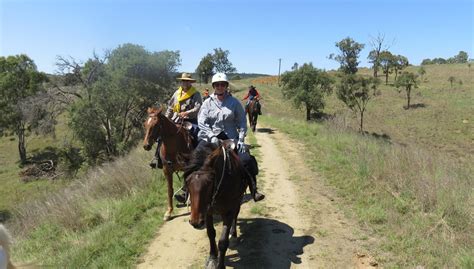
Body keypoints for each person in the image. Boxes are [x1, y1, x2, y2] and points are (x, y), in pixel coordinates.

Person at [194, 72, 264, 202]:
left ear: (226, 86)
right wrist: (211, 135)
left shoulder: (234, 102)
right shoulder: (207, 103)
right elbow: (201, 122)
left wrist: (241, 139)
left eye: (223, 84)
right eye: (217, 85)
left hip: (231, 140)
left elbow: (242, 121)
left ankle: (254, 190)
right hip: (211, 139)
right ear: (214, 86)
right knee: (195, 158)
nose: (220, 87)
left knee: (246, 160)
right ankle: (187, 192)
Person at [149, 72, 202, 169]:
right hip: (175, 119)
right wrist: (165, 118)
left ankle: (198, 158)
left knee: (197, 133)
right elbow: (170, 107)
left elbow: (198, 108)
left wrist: (187, 113)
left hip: (190, 120)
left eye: (187, 81)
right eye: (183, 81)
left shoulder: (195, 94)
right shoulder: (176, 93)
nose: (185, 83)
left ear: (190, 82)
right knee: (162, 134)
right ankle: (157, 158)